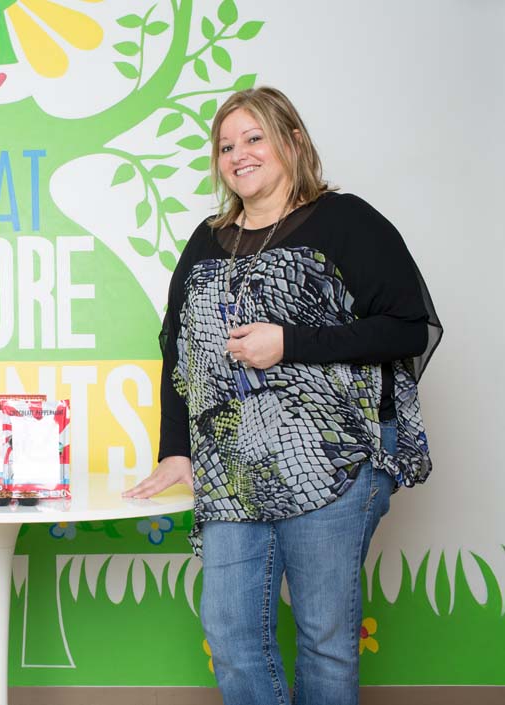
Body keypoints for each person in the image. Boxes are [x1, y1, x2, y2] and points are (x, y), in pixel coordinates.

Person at [125, 87, 441, 705]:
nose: (238, 154)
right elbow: (178, 351)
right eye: (225, 146)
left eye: (253, 138)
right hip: (231, 472)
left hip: (333, 460)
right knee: (232, 633)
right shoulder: (206, 240)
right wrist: (176, 448)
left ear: (293, 141)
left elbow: (408, 326)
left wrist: (289, 344)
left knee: (325, 638)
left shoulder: (347, 221)